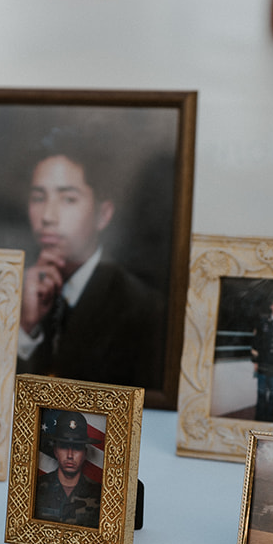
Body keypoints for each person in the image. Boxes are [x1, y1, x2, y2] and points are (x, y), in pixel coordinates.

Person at [17, 133, 164, 392]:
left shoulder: (142, 308)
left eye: (68, 199)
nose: (48, 217)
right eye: (39, 198)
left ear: (103, 214)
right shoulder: (16, 292)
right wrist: (25, 328)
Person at [33, 410, 101, 527]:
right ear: (55, 451)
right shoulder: (35, 488)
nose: (70, 455)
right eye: (64, 447)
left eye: (77, 448)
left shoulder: (100, 493)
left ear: (84, 453)